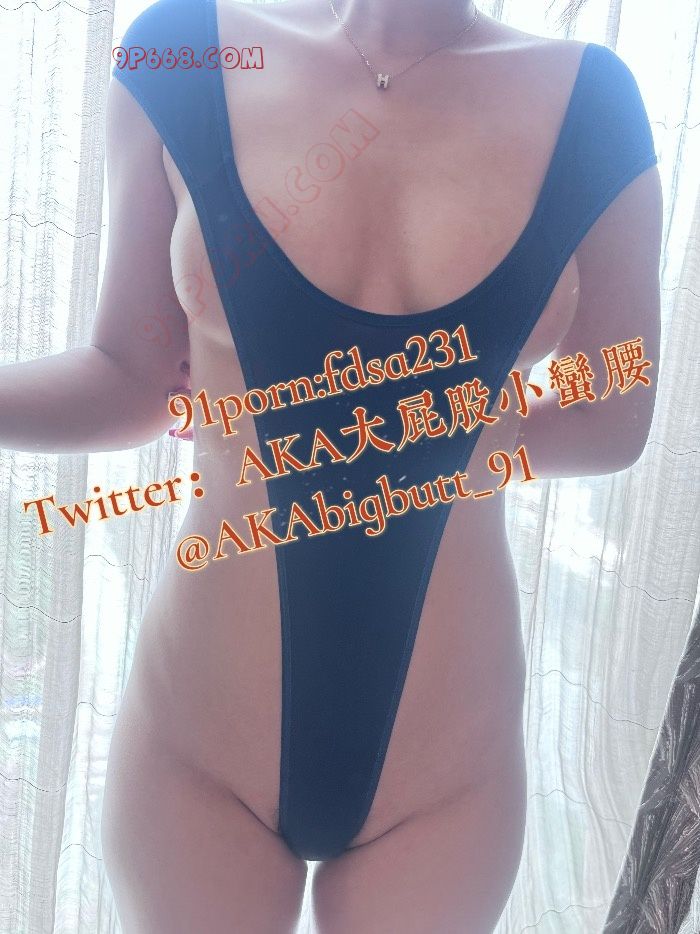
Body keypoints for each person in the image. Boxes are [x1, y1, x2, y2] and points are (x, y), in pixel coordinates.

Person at [1, 0, 662, 930]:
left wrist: (427, 425)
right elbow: (128, 376)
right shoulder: (180, 52)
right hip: (201, 742)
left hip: (446, 773)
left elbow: (616, 411)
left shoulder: (594, 104)